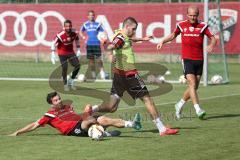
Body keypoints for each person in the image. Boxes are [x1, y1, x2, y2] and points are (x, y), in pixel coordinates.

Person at [87, 17, 179, 136]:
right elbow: (111, 46)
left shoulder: (120, 34)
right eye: (133, 29)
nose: (135, 31)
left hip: (119, 75)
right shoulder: (120, 38)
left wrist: (142, 39)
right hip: (129, 75)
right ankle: (162, 128)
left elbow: (128, 39)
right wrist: (109, 54)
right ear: (127, 26)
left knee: (111, 106)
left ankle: (92, 109)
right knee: (147, 99)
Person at [157, 6, 217, 119]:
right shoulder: (181, 25)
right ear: (187, 14)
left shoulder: (203, 26)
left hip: (199, 60)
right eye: (190, 15)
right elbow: (172, 35)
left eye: (194, 15)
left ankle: (179, 104)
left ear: (198, 15)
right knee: (192, 84)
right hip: (187, 59)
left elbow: (213, 38)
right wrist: (162, 41)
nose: (192, 17)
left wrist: (211, 45)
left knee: (194, 87)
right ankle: (198, 109)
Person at [9, 92, 142, 137]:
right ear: (51, 103)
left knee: (103, 118)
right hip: (75, 129)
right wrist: (18, 132)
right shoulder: (49, 115)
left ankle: (132, 124)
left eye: (59, 98)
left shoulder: (67, 107)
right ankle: (103, 133)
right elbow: (34, 125)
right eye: (56, 100)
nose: (59, 100)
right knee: (90, 119)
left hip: (82, 122)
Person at [51, 19, 81, 91]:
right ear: (64, 27)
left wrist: (78, 49)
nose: (68, 28)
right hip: (62, 53)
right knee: (65, 67)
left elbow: (77, 40)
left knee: (77, 66)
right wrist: (52, 53)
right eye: (67, 26)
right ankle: (65, 84)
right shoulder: (60, 35)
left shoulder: (74, 33)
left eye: (70, 26)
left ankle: (71, 80)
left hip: (70, 52)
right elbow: (53, 43)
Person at [80, 10, 106, 79]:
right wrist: (83, 37)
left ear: (94, 16)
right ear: (88, 16)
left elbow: (103, 32)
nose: (91, 16)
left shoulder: (98, 24)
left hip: (96, 44)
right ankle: (93, 74)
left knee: (99, 60)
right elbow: (81, 31)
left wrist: (103, 39)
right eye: (90, 15)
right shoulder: (85, 24)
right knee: (91, 60)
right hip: (89, 44)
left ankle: (102, 73)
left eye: (92, 15)